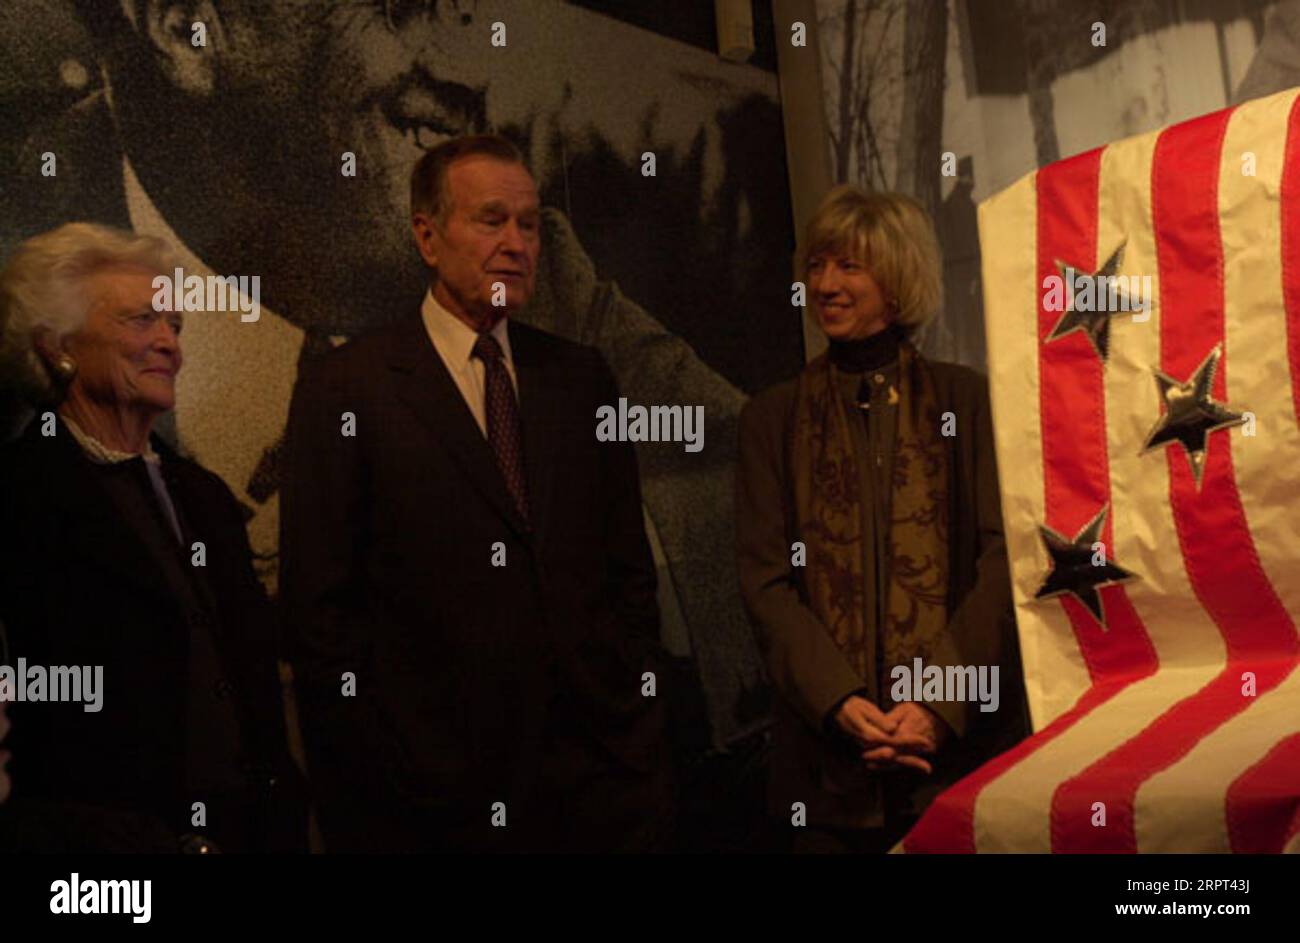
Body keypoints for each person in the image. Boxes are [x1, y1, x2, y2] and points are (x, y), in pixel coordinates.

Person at [0, 0, 779, 749]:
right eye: (402, 6)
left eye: (466, 7)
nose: (474, 72)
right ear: (188, 28)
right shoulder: (28, 314)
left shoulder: (527, 283)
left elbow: (751, 461)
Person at [281, 134, 674, 853]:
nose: (518, 243)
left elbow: (627, 571)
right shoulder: (347, 385)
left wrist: (635, 724)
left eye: (528, 222)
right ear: (427, 237)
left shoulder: (582, 377)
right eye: (492, 220)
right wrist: (385, 773)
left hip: (600, 786)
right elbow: (319, 617)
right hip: (435, 802)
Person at [736, 187, 1026, 853]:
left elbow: (1004, 558)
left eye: (849, 267)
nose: (826, 284)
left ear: (898, 278)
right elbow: (764, 581)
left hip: (959, 754)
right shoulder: (770, 417)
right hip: (824, 766)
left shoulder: (969, 399)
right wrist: (839, 702)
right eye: (817, 266)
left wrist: (937, 704)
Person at [0, 223, 305, 853]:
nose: (170, 344)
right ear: (57, 345)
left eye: (176, 326)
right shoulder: (16, 498)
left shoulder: (206, 496)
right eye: (143, 321)